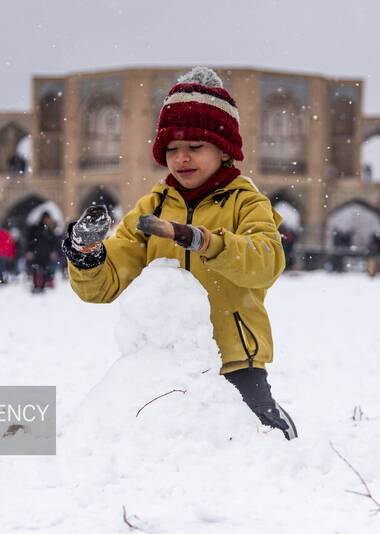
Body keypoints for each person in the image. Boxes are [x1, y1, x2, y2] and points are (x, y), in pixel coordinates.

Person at [61, 67, 296, 440]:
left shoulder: (247, 202)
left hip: (232, 356)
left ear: (224, 149)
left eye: (194, 147)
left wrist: (204, 241)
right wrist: (87, 252)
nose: (181, 158)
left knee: (260, 437)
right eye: (172, 149)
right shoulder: (150, 208)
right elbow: (103, 287)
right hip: (165, 356)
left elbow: (265, 262)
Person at [26, 213, 58, 293]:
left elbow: (53, 242)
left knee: (45, 270)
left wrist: (53, 251)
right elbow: (30, 240)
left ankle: (42, 286)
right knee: (36, 270)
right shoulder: (36, 228)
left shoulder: (50, 229)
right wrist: (29, 251)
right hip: (36, 252)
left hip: (46, 253)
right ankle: (36, 286)